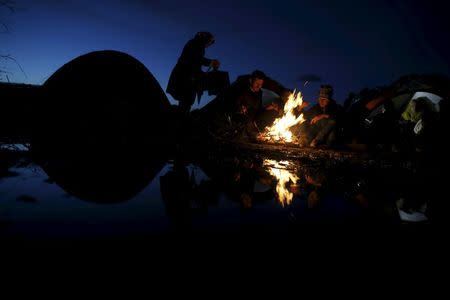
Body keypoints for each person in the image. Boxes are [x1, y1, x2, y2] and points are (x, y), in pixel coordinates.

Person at [166, 31, 220, 117]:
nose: (209, 45)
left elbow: (195, 63)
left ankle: (180, 119)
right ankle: (180, 121)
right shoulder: (196, 44)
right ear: (205, 39)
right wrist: (210, 62)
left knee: (185, 103)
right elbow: (195, 59)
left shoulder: (195, 44)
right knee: (185, 102)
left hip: (185, 77)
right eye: (209, 42)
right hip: (185, 78)